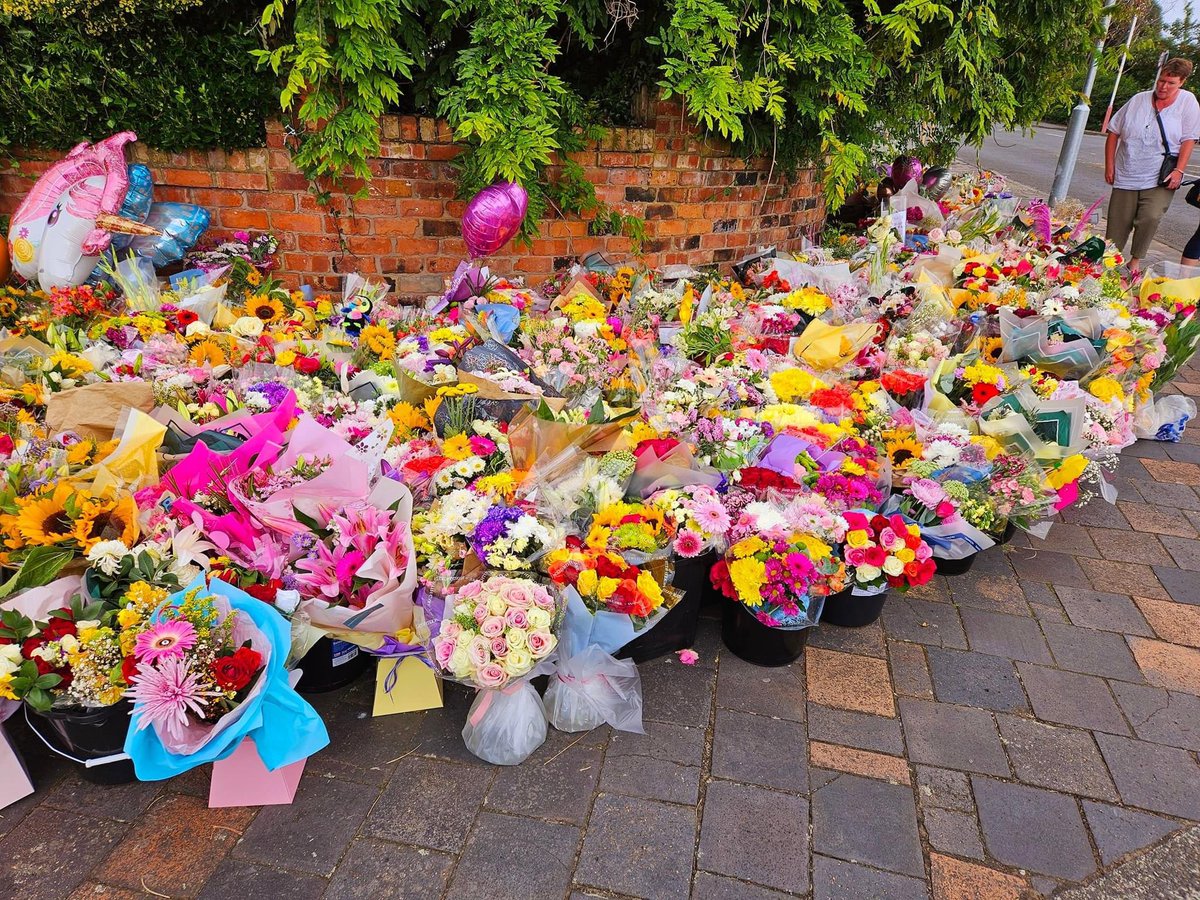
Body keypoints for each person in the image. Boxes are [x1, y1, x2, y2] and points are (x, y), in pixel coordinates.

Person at [1105, 57, 1200, 273]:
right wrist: (1109, 165)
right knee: (1118, 222)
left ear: (1182, 82)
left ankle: (1135, 261)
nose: (1163, 87)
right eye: (1161, 81)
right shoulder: (1139, 99)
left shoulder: (1188, 102)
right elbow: (1113, 131)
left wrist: (1179, 170)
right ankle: (1108, 263)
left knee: (1151, 216)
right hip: (1127, 169)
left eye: (1170, 83)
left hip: (1160, 174)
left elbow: (1189, 139)